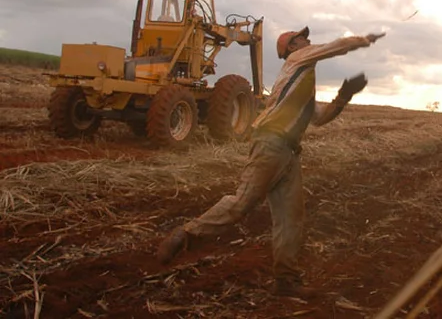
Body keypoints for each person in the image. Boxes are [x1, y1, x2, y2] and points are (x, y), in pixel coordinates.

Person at [156, 26, 386, 297]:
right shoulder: (297, 60)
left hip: (287, 153)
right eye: (302, 38)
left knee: (291, 219)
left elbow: (320, 117)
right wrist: (364, 39)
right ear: (291, 47)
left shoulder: (300, 83)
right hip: (270, 145)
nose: (308, 40)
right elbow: (333, 47)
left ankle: (286, 280)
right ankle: (186, 234)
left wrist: (343, 96)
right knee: (241, 204)